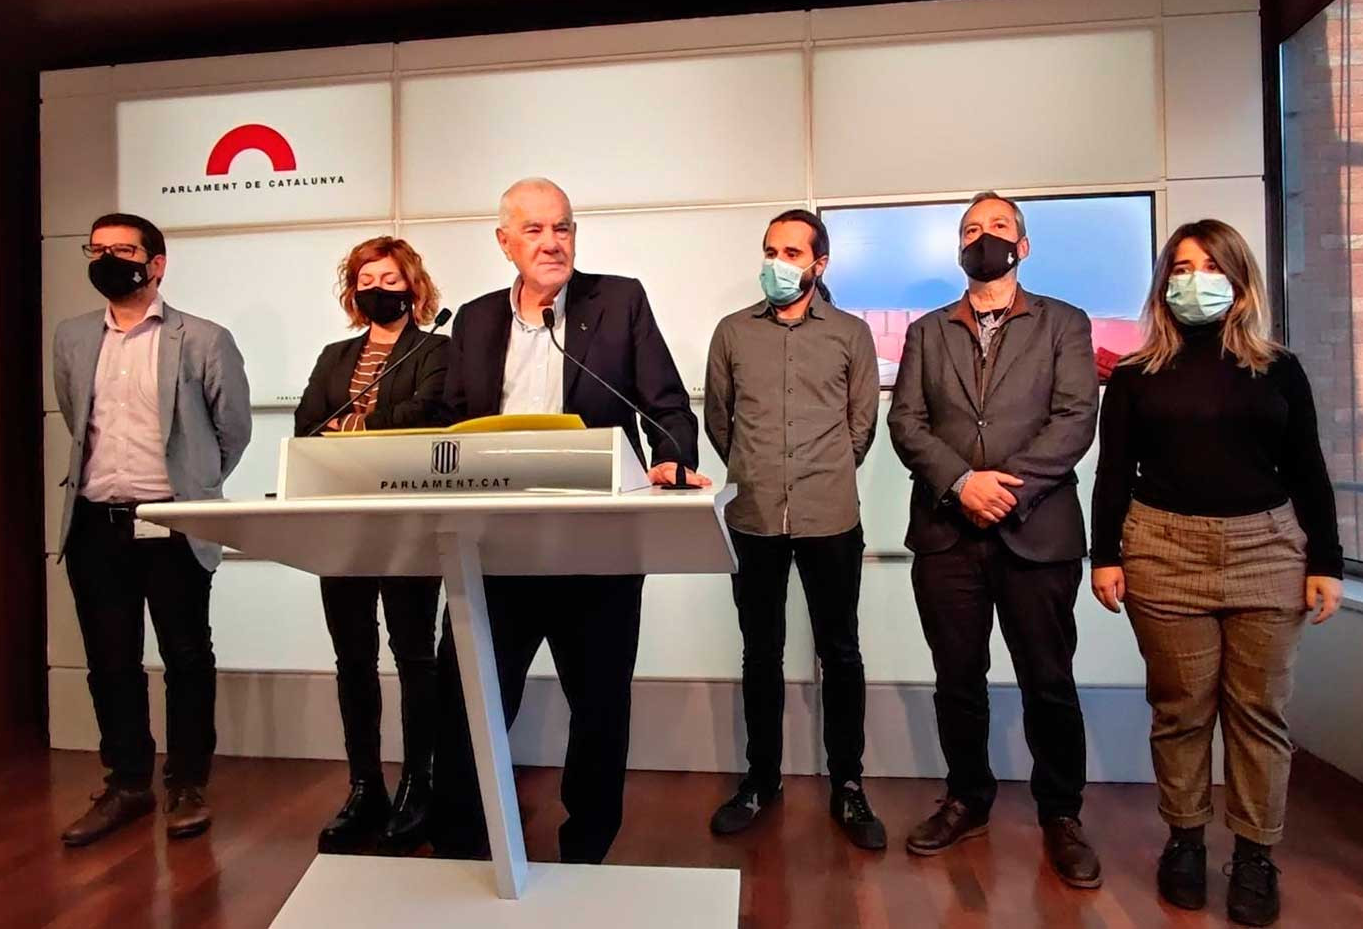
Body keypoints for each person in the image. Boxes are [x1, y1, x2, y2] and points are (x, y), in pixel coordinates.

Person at [430, 177, 709, 863]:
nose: (552, 242)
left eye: (563, 228)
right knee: (466, 703)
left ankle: (586, 856)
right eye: (534, 230)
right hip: (492, 549)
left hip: (597, 545)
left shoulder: (617, 301)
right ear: (504, 243)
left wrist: (672, 458)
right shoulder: (472, 319)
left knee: (600, 709)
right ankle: (464, 851)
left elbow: (667, 405)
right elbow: (446, 421)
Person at [1090, 219, 1343, 927]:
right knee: (1180, 711)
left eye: (1207, 266)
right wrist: (1103, 555)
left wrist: (1326, 560)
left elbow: (1308, 470)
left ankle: (1257, 855)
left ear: (1237, 280)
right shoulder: (1136, 377)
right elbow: (1112, 475)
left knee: (1259, 715)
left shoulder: (1279, 368)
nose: (1190, 279)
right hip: (1162, 552)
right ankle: (1186, 840)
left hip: (1268, 551)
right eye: (1180, 267)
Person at [886, 192, 1102, 888]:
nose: (986, 238)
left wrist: (1002, 487)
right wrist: (961, 484)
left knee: (1049, 681)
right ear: (958, 247)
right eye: (972, 230)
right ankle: (967, 797)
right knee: (957, 680)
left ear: (1024, 245)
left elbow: (1074, 418)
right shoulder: (927, 332)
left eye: (999, 228)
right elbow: (907, 423)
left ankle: (1061, 814)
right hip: (947, 533)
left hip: (1037, 530)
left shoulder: (1064, 323)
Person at [52, 212, 251, 846]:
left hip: (171, 519)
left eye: (124, 250)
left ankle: (187, 785)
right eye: (98, 249)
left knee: (187, 657)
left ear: (156, 263)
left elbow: (233, 431)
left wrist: (193, 485)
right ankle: (127, 783)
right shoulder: (74, 336)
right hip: (95, 519)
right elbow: (74, 418)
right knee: (109, 660)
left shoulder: (203, 338)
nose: (107, 259)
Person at [703, 210, 885, 848]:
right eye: (770, 250)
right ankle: (761, 778)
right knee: (761, 652)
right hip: (752, 516)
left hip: (830, 516)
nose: (778, 262)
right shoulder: (731, 333)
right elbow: (718, 423)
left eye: (791, 252)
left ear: (819, 264)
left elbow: (861, 427)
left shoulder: (851, 335)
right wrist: (759, 472)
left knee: (841, 651)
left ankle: (849, 785)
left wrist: (821, 473)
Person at [294, 237, 450, 855]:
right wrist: (345, 428)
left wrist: (349, 425)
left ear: (412, 286)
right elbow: (307, 422)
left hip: (407, 521)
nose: (375, 288)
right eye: (365, 278)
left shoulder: (437, 348)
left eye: (388, 278)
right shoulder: (335, 355)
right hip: (341, 521)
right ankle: (366, 786)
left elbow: (426, 416)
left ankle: (419, 784)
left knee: (415, 655)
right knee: (352, 657)